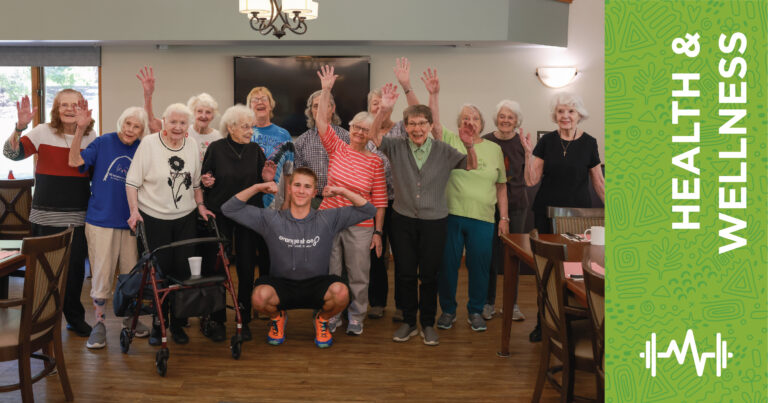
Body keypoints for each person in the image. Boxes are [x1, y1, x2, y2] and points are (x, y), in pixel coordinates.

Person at [370, 83, 477, 346]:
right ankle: (409, 321)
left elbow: (470, 165)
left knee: (429, 275)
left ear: (430, 125)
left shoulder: (443, 149)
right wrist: (383, 110)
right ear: (405, 127)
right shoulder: (396, 146)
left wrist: (469, 145)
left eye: (422, 123)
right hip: (402, 220)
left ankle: (427, 322)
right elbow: (373, 136)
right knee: (405, 272)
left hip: (435, 222)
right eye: (412, 124)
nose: (417, 129)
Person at [221, 167, 376, 348]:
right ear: (289, 188)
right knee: (258, 297)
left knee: (342, 293)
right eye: (297, 185)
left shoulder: (328, 218)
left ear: (314, 193)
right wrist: (257, 187)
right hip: (282, 286)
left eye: (307, 187)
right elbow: (229, 209)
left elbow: (369, 210)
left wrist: (341, 190)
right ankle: (277, 318)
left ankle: (322, 320)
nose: (301, 191)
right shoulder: (271, 219)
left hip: (317, 285)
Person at [3, 90, 95, 337]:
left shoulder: (90, 136)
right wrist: (20, 127)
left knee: (74, 271)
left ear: (83, 108)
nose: (68, 109)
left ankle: (74, 318)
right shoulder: (42, 131)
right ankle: (41, 320)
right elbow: (12, 154)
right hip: (44, 215)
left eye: (74, 105)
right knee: (44, 272)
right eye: (63, 104)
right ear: (56, 108)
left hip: (77, 215)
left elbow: (94, 174)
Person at [125, 103, 215, 346]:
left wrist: (201, 206)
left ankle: (177, 322)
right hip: (153, 218)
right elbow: (132, 182)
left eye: (182, 123)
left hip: (185, 218)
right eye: (173, 122)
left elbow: (196, 184)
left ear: (188, 126)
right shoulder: (149, 144)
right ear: (163, 122)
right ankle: (158, 322)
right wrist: (134, 211)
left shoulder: (192, 144)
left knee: (183, 272)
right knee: (159, 274)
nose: (177, 127)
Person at [425, 78, 507, 333]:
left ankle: (476, 311)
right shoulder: (450, 138)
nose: (469, 122)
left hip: (483, 218)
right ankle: (448, 310)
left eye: (474, 119)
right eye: (464, 118)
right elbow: (434, 124)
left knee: (480, 266)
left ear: (482, 124)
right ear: (458, 124)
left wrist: (504, 218)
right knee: (448, 265)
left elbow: (502, 185)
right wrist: (434, 94)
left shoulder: (494, 149)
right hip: (451, 215)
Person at [68, 104, 151, 348]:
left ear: (141, 130)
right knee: (102, 277)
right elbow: (74, 161)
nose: (130, 129)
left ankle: (128, 321)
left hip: (130, 223)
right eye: (128, 124)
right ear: (121, 123)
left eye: (136, 126)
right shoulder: (104, 142)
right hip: (101, 221)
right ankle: (100, 324)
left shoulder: (143, 148)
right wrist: (80, 129)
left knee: (129, 276)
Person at [525, 92, 605, 342]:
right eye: (561, 111)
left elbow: (599, 181)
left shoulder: (590, 143)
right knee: (547, 269)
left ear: (579, 114)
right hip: (546, 214)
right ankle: (544, 321)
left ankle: (571, 320)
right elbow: (531, 180)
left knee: (575, 270)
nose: (565, 116)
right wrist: (529, 153)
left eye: (570, 111)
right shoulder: (546, 142)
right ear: (555, 115)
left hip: (578, 217)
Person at [315, 65, 387, 335]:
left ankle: (356, 316)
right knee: (331, 272)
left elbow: (379, 200)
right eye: (356, 127)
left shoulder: (375, 162)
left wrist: (378, 231)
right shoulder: (337, 147)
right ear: (349, 127)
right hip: (329, 220)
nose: (359, 132)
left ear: (372, 134)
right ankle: (332, 314)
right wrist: (325, 90)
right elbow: (322, 122)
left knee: (358, 275)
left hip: (360, 225)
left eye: (365, 130)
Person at [197, 104, 274, 342]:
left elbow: (263, 179)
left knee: (247, 267)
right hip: (220, 214)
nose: (250, 131)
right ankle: (217, 319)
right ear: (230, 127)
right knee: (219, 267)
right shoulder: (216, 148)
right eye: (245, 126)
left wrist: (267, 178)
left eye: (251, 127)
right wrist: (207, 181)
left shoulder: (255, 150)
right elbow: (205, 179)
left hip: (249, 215)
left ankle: (244, 318)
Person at [366, 57, 417, 322]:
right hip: (373, 204)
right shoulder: (366, 132)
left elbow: (418, 112)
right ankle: (377, 302)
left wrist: (406, 86)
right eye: (375, 105)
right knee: (376, 256)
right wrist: (380, 113)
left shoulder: (402, 128)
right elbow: (371, 139)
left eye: (383, 104)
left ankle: (402, 305)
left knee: (403, 257)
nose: (379, 108)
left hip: (398, 202)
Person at [482, 100, 530, 322]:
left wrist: (529, 154)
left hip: (517, 205)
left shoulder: (522, 143)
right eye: (502, 116)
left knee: (513, 257)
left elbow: (530, 177)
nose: (506, 120)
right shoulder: (486, 141)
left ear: (516, 121)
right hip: (489, 205)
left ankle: (512, 304)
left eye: (510, 117)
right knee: (490, 255)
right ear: (496, 118)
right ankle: (488, 303)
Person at [293, 89, 351, 209]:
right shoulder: (301, 141)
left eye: (324, 105)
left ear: (333, 108)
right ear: (311, 111)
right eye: (315, 106)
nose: (320, 110)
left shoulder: (347, 138)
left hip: (340, 202)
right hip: (310, 202)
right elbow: (298, 175)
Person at [246, 86, 294, 212]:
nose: (260, 102)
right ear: (249, 107)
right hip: (248, 201)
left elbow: (288, 173)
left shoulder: (284, 135)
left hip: (275, 203)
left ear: (271, 105)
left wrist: (287, 202)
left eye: (264, 99)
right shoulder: (244, 133)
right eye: (255, 99)